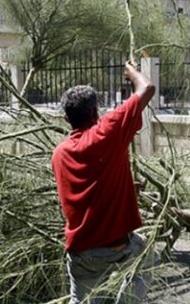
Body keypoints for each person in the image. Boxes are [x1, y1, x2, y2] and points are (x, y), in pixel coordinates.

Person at [51, 62, 156, 304]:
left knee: (82, 300)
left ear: (66, 118)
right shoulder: (106, 132)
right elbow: (147, 88)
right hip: (115, 248)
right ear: (95, 113)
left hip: (80, 253)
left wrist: (126, 188)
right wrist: (131, 72)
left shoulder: (59, 154)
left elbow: (85, 189)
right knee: (146, 258)